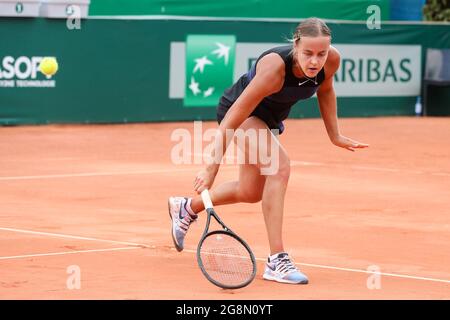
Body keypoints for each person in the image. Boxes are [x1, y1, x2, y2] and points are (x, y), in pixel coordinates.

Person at [168, 17, 369, 284]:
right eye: (308, 53)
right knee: (279, 166)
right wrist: (211, 167)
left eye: (321, 53)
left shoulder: (331, 60)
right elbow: (234, 116)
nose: (315, 61)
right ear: (296, 45)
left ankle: (187, 208)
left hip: (269, 121)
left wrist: (335, 135)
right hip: (239, 114)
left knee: (250, 191)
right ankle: (277, 260)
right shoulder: (275, 68)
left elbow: (326, 91)